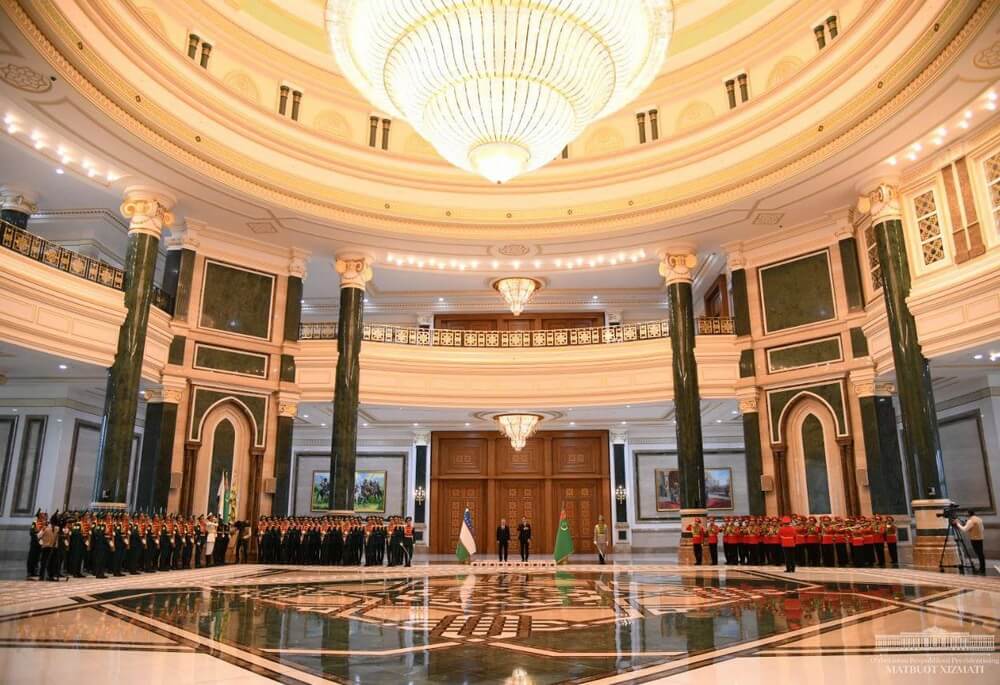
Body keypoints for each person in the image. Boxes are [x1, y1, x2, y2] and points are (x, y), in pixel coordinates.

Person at [958, 510, 986, 575]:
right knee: (980, 554)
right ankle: (982, 568)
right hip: (980, 538)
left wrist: (957, 524)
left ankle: (982, 569)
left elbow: (964, 529)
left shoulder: (970, 521)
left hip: (974, 539)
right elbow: (982, 529)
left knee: (979, 553)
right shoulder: (979, 519)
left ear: (968, 514)